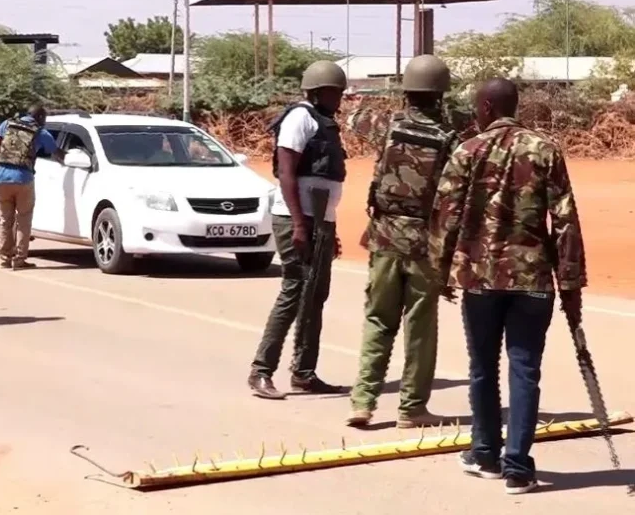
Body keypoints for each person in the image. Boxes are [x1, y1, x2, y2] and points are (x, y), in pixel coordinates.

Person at [429, 78, 587, 495]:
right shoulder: (544, 149)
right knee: (525, 369)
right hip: (533, 280)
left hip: (480, 280)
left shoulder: (467, 151)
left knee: (482, 367)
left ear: (486, 106)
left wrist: (440, 270)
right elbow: (566, 219)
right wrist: (570, 283)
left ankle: (485, 454)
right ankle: (516, 465)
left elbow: (444, 216)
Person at [346, 55, 459, 428]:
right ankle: (411, 409)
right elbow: (453, 197)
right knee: (420, 327)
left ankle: (363, 402)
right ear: (440, 94)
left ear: (407, 92)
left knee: (378, 319)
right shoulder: (449, 139)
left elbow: (354, 119)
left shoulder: (388, 126)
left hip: (383, 237)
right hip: (424, 243)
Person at [247, 60, 348, 400]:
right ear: (319, 91)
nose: (340, 98)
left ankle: (304, 373)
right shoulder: (299, 118)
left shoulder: (324, 122)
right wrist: (301, 225)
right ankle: (261, 371)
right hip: (297, 218)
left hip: (319, 219)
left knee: (315, 298)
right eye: (336, 92)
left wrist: (327, 230)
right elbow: (286, 173)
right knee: (293, 292)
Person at [0, 105, 64, 270]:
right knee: (24, 220)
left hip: (1, 177)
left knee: (5, 220)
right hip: (23, 179)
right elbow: (56, 152)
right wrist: (68, 157)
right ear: (40, 117)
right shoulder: (40, 132)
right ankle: (19, 260)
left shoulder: (7, 124)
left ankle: (5, 258)